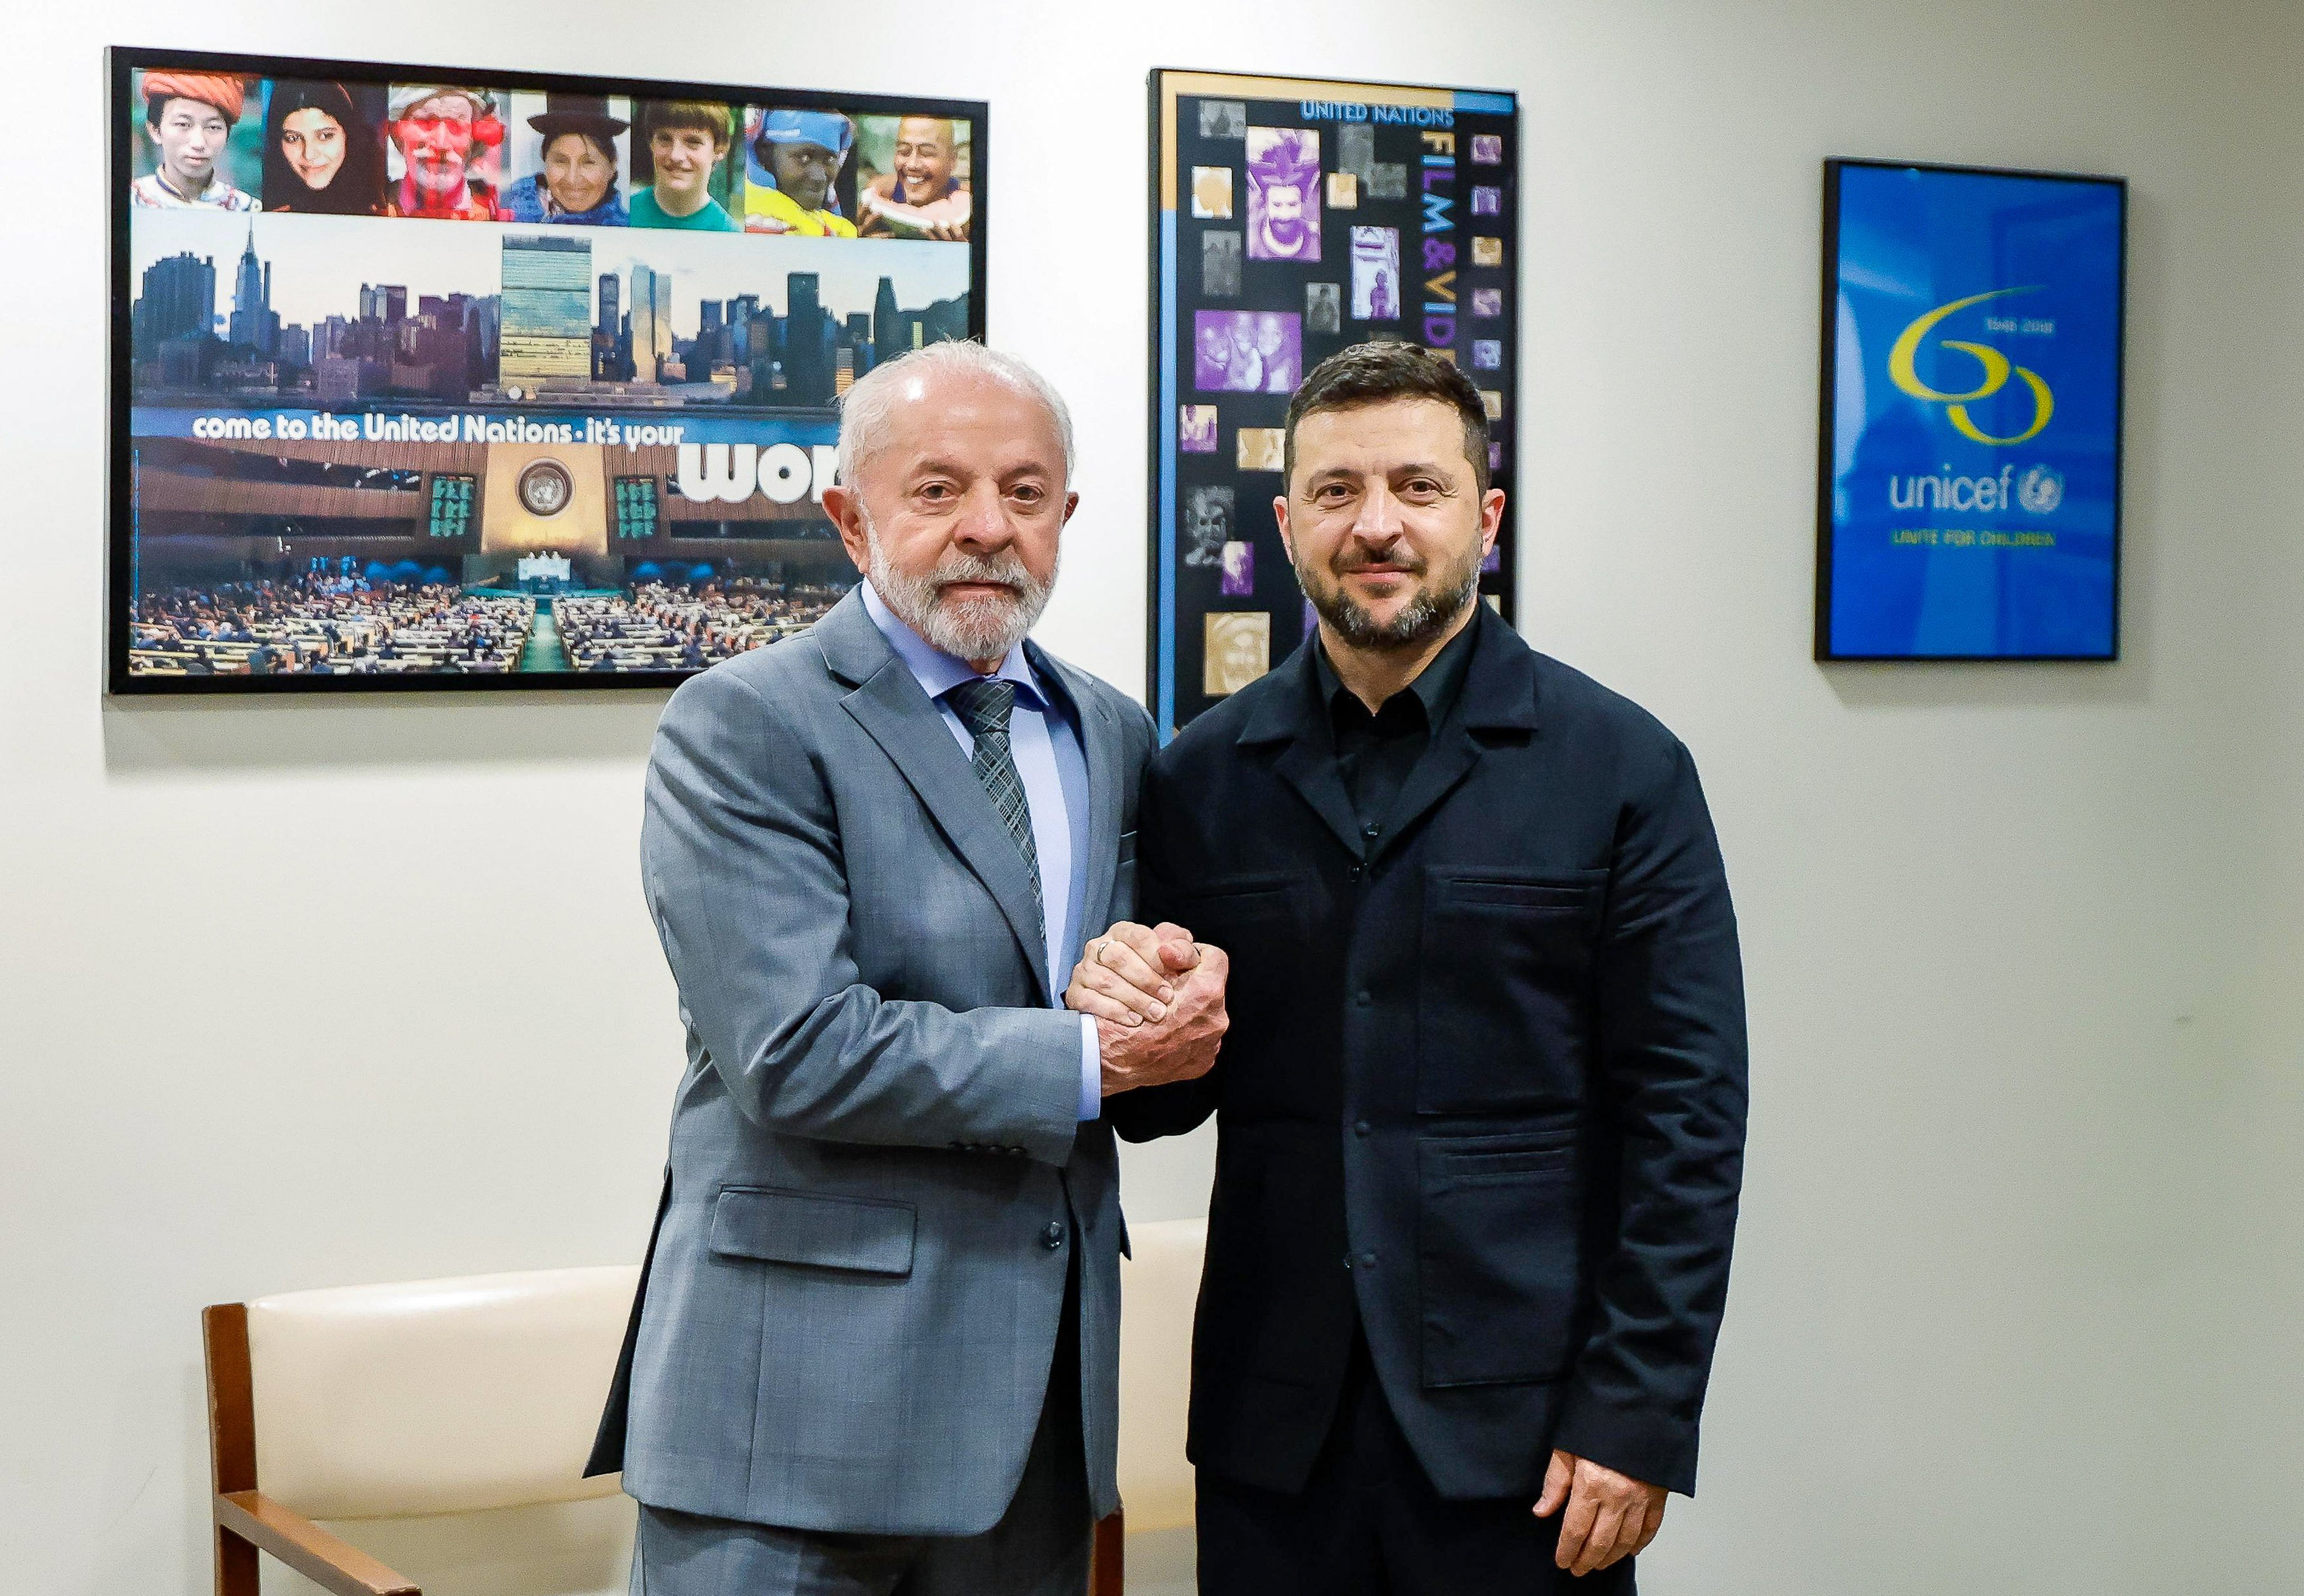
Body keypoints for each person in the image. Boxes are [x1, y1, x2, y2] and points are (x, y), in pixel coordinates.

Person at [1074, 341, 1749, 1594]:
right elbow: (1164, 1098)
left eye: (1416, 487)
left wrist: (1636, 1410)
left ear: (1484, 518)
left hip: (1530, 1440)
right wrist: (1118, 1016)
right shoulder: (1201, 776)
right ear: (1287, 525)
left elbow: (1687, 1116)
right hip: (1275, 1436)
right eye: (1335, 490)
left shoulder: (1620, 767)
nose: (1374, 523)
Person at [586, 339, 1231, 1595]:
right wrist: (1092, 1055)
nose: (987, 526)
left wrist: (1175, 984)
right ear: (850, 518)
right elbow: (795, 1051)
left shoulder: (1112, 728)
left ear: (1064, 517)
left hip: (1036, 1425)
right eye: (938, 489)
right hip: (792, 1431)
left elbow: (1119, 996)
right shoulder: (745, 720)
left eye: (1025, 492)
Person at [132, 71, 259, 210]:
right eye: (183, 124)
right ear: (155, 130)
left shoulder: (247, 208)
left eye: (213, 127)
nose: (199, 143)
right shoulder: (129, 201)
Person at [260, 80, 384, 215]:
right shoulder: (267, 212)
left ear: (349, 136)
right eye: (294, 138)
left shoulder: (384, 209)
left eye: (325, 136)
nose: (309, 155)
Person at [500, 93, 627, 224]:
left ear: (612, 164)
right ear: (545, 158)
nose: (572, 179)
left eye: (588, 162)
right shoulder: (508, 210)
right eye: (561, 161)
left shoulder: (625, 229)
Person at [383, 85, 502, 221]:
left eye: (456, 126)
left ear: (474, 141)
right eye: (425, 123)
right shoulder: (376, 207)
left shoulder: (495, 211)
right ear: (397, 134)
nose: (441, 144)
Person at [744, 108, 858, 236]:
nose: (819, 177)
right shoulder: (759, 224)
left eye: (830, 159)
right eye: (804, 158)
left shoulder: (838, 228)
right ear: (764, 154)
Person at [857, 114, 971, 240]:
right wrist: (861, 239)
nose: (912, 165)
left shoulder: (970, 206)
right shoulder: (881, 192)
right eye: (904, 151)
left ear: (952, 159)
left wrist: (962, 248)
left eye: (927, 153)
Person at [631, 101, 740, 231]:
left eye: (693, 142)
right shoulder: (622, 215)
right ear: (651, 144)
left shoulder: (728, 234)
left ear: (720, 150)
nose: (675, 156)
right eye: (665, 139)